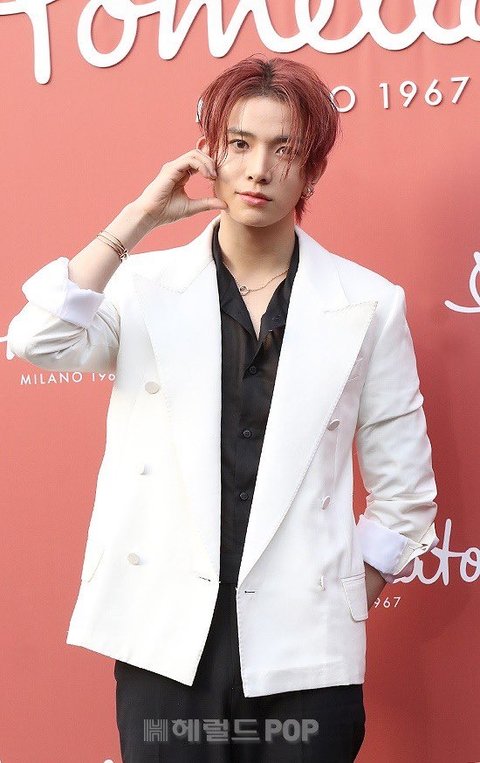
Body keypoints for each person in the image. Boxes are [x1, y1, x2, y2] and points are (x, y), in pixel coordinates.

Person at [7, 56, 439, 762]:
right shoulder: (144, 286)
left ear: (312, 170)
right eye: (239, 144)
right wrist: (135, 220)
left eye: (284, 149)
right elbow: (36, 339)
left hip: (305, 656)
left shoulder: (368, 303)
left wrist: (341, 596)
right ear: (210, 152)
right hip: (168, 644)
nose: (258, 170)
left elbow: (406, 492)